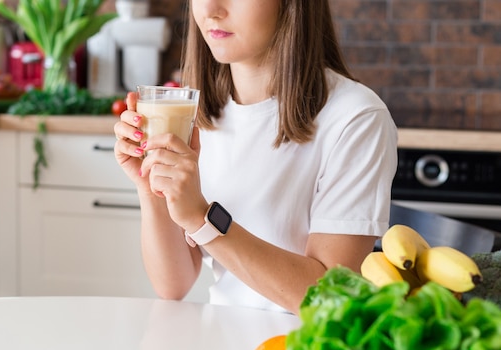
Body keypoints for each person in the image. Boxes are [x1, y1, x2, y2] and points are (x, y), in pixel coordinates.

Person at [113, 0, 398, 314]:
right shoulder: (196, 113)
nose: (210, 9)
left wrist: (203, 219)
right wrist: (150, 186)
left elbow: (328, 296)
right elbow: (173, 285)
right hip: (220, 345)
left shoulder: (354, 118)